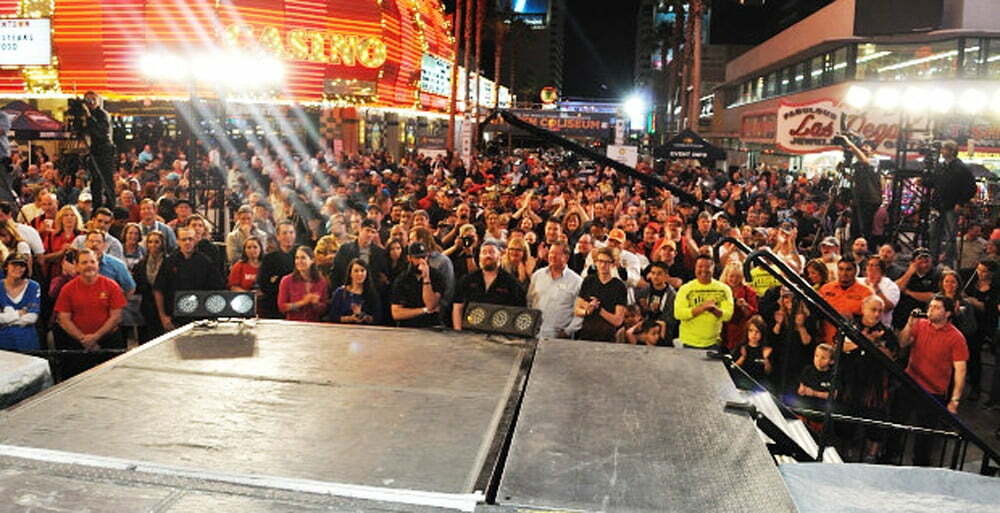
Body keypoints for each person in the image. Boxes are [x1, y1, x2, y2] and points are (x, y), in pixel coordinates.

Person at [892, 295, 969, 466]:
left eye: (936, 307)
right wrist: (909, 323)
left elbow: (960, 371)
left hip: (933, 391)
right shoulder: (920, 324)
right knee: (896, 423)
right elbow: (903, 343)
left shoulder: (956, 337)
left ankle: (920, 466)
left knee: (925, 435)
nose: (930, 310)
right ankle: (889, 454)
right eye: (931, 306)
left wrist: (954, 400)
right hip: (909, 382)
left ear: (947, 313)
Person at [840, 295, 898, 462]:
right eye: (873, 309)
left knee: (876, 422)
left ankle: (871, 455)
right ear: (863, 308)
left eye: (880, 310)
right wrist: (865, 341)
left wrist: (876, 345)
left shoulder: (886, 332)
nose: (877, 313)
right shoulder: (851, 326)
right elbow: (840, 346)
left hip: (875, 385)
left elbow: (892, 355)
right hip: (850, 381)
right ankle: (845, 452)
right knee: (847, 420)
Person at [54, 248, 126, 377]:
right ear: (76, 266)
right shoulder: (67, 289)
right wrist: (83, 339)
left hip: (109, 342)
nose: (89, 266)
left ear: (98, 264)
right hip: (77, 344)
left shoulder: (111, 286)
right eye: (84, 262)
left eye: (92, 262)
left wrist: (96, 337)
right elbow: (64, 319)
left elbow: (116, 316)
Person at [153, 226, 223, 331]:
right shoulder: (169, 262)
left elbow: (217, 290)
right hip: (175, 319)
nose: (187, 242)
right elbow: (158, 290)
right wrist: (163, 317)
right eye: (183, 239)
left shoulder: (206, 262)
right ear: (177, 241)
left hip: (200, 319)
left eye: (190, 239)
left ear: (195, 240)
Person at [452, 241, 526, 330]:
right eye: (484, 252)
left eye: (491, 252)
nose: (488, 255)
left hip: (498, 334)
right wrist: (458, 331)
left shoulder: (511, 282)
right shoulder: (467, 279)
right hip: (469, 332)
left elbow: (519, 312)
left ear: (499, 256)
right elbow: (457, 307)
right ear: (479, 257)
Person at [927, 140, 974, 267]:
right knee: (934, 234)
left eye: (944, 149)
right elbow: (935, 183)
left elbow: (971, 188)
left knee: (950, 237)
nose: (942, 152)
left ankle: (947, 262)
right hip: (938, 205)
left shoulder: (961, 168)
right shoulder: (941, 166)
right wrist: (924, 182)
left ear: (952, 151)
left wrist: (960, 202)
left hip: (951, 206)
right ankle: (933, 261)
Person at [673, 254, 734, 349]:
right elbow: (679, 314)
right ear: (695, 268)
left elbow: (727, 316)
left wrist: (714, 309)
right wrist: (702, 308)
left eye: (707, 267)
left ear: (713, 268)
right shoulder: (685, 289)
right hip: (688, 342)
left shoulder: (724, 289)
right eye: (700, 266)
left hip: (713, 343)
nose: (704, 270)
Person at [527, 241, 582, 339]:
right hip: (534, 333)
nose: (552, 256)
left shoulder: (576, 281)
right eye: (551, 253)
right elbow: (530, 301)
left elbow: (580, 313)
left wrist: (567, 332)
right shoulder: (537, 275)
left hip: (559, 336)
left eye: (557, 254)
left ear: (566, 257)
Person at [574, 246, 627, 342]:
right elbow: (577, 310)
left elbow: (618, 320)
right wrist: (587, 311)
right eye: (600, 261)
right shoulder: (589, 281)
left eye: (607, 262)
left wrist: (599, 310)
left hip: (607, 337)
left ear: (613, 264)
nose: (603, 265)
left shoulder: (619, 286)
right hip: (586, 334)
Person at [389, 241, 445, 328]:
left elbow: (431, 305)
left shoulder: (436, 276)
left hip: (431, 325)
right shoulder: (402, 279)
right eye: (417, 258)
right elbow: (396, 313)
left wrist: (426, 278)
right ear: (409, 258)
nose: (422, 261)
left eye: (424, 257)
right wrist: (423, 310)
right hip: (408, 326)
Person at [817, 259, 871, 344]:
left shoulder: (866, 292)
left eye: (848, 269)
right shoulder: (825, 289)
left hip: (851, 341)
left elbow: (870, 319)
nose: (844, 273)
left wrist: (854, 318)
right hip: (825, 340)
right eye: (841, 269)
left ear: (856, 271)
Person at [81, 91, 116, 210]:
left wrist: (89, 117)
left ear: (98, 101)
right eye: (88, 100)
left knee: (106, 180)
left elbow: (101, 132)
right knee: (95, 181)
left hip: (104, 150)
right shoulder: (85, 115)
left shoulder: (102, 114)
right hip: (93, 149)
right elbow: (83, 130)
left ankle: (111, 206)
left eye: (93, 100)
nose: (90, 103)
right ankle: (96, 207)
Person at [331, 218, 389, 289]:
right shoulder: (345, 249)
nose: (369, 234)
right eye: (367, 230)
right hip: (348, 290)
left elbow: (382, 276)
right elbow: (335, 273)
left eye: (373, 232)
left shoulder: (379, 253)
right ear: (360, 230)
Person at [0, 253, 41, 351]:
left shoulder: (33, 286)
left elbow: (32, 317)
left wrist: (5, 319)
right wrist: (19, 313)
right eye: (14, 264)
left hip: (27, 341)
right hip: (2, 341)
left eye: (22, 265)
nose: (18, 268)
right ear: (6, 266)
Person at [256, 220, 297, 319]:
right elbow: (264, 284)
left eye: (291, 232)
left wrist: (276, 279)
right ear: (278, 237)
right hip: (274, 304)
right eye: (284, 233)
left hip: (297, 302)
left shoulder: (301, 255)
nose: (288, 236)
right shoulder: (269, 258)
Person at [277, 246, 329, 322]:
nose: (299, 261)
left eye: (303, 258)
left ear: (312, 260)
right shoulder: (286, 280)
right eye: (297, 258)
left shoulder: (321, 281)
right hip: (293, 325)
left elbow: (324, 309)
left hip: (314, 325)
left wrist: (315, 304)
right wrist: (303, 302)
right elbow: (282, 307)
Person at [893, 247, 940, 328]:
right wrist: (909, 273)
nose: (924, 261)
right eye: (920, 258)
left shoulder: (936, 275)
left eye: (927, 258)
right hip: (902, 317)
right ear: (913, 262)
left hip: (924, 318)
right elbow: (895, 290)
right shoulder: (905, 274)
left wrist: (909, 292)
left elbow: (932, 297)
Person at [132, 231, 166, 343]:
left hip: (165, 306)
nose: (153, 245)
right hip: (146, 307)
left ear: (162, 244)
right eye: (150, 242)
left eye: (156, 242)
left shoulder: (169, 263)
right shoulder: (140, 265)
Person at [328, 258, 382, 325]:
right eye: (356, 271)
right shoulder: (340, 293)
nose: (360, 274)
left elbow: (377, 318)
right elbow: (332, 316)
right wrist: (350, 318)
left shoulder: (372, 294)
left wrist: (363, 316)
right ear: (350, 273)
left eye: (362, 270)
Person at [83, 229, 135, 296]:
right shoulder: (77, 263)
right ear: (85, 243)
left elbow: (130, 288)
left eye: (98, 242)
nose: (94, 244)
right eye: (91, 241)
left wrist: (118, 303)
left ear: (104, 245)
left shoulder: (117, 264)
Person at [720, 261, 758, 352]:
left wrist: (745, 306)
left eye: (738, 276)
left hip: (741, 330)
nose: (734, 279)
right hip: (722, 329)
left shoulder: (749, 291)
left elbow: (754, 315)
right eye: (731, 276)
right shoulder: (720, 290)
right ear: (726, 276)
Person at [733, 315, 772, 389]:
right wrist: (743, 357)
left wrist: (766, 360)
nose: (754, 334)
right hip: (742, 381)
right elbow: (734, 367)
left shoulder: (766, 349)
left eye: (757, 331)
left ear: (762, 333)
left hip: (759, 383)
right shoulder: (741, 346)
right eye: (751, 330)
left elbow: (768, 372)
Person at [859, 256, 899, 328]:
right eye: (868, 264)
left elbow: (887, 308)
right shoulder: (858, 281)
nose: (870, 267)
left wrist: (875, 287)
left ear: (881, 269)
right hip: (859, 324)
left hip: (881, 327)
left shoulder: (890, 285)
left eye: (874, 265)